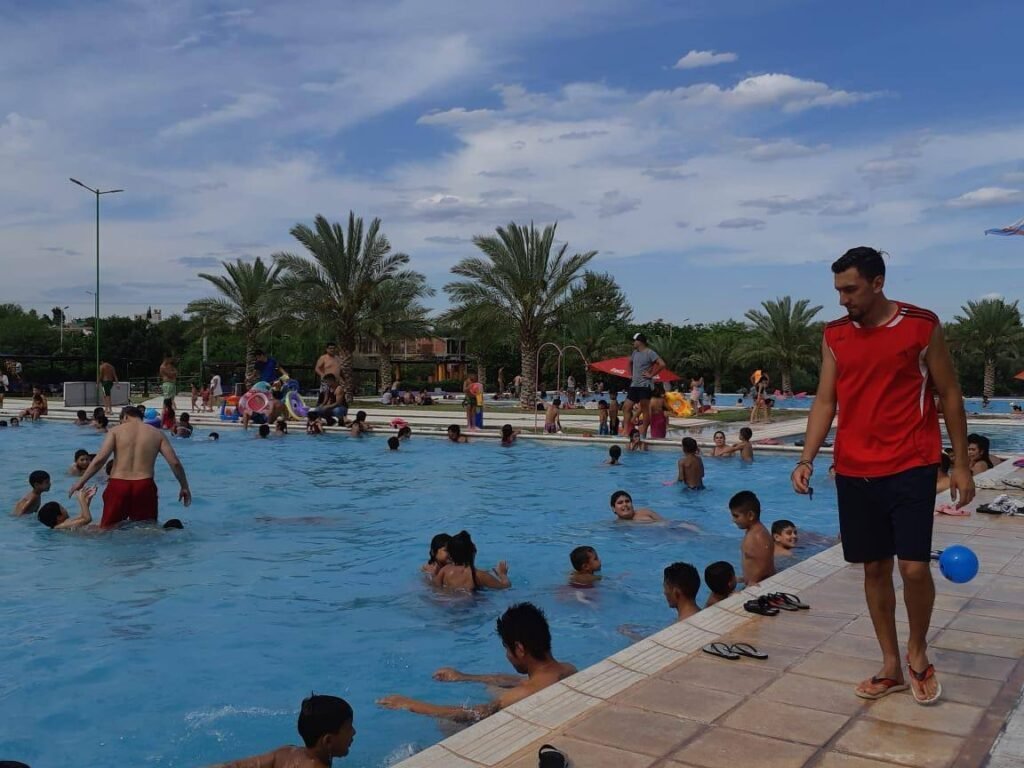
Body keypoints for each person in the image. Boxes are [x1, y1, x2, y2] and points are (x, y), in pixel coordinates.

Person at [791, 246, 974, 705]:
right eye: (838, 290)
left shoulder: (920, 324)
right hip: (854, 468)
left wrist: (961, 463)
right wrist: (807, 458)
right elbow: (825, 401)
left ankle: (917, 649)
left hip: (911, 462)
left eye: (850, 289)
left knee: (913, 568)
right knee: (874, 568)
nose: (842, 300)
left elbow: (949, 393)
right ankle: (891, 664)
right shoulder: (834, 334)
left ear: (877, 282)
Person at [377, 603, 575, 721]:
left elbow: (470, 714)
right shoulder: (568, 670)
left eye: (507, 648)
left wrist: (409, 704)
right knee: (491, 687)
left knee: (444, 724)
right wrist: (464, 677)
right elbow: (520, 681)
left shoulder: (518, 696)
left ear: (520, 649)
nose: (507, 654)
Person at [69, 405, 191, 527]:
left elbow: (99, 460)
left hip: (118, 484)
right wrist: (184, 486)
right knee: (147, 529)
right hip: (145, 485)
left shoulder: (116, 431)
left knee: (107, 529)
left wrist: (81, 482)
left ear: (125, 416)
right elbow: (175, 463)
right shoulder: (157, 434)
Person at [217, 694, 356, 768]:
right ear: (328, 740)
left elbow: (235, 766)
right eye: (349, 728)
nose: (353, 732)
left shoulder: (286, 753)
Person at [432, 530, 510, 591]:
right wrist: (503, 575)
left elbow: (435, 586)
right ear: (473, 551)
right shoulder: (478, 575)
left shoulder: (445, 570)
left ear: (450, 555)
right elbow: (505, 587)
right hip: (470, 608)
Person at [622, 333, 666, 439]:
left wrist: (651, 374)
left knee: (645, 409)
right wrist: (630, 374)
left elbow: (662, 364)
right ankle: (625, 430)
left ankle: (643, 433)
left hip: (645, 385)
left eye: (634, 341)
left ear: (640, 341)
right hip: (634, 384)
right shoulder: (634, 353)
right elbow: (630, 363)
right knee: (626, 407)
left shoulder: (650, 353)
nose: (633, 343)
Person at [729, 491, 774, 587]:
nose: (733, 520)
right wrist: (744, 578)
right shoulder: (756, 531)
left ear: (750, 515)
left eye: (736, 516)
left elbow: (764, 563)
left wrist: (752, 581)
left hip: (759, 584)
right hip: (757, 581)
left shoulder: (756, 536)